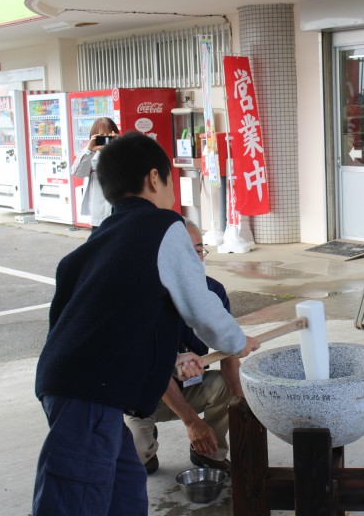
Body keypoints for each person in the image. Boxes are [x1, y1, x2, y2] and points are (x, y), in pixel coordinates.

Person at [33, 131, 260, 515]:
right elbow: (199, 304)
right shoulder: (163, 227)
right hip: (88, 394)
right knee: (75, 500)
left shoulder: (99, 242)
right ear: (154, 178)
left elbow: (85, 321)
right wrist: (237, 341)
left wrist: (167, 361)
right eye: (170, 180)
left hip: (76, 385)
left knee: (126, 489)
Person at [125, 219, 243, 475]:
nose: (195, 258)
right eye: (185, 251)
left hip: (192, 386)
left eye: (199, 250)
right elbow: (154, 369)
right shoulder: (149, 297)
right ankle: (145, 442)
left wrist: (238, 400)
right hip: (146, 395)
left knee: (224, 386)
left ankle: (209, 453)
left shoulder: (213, 290)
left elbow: (230, 346)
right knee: (139, 463)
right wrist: (192, 422)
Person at [71, 117, 120, 230]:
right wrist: (90, 150)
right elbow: (78, 173)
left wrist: (120, 146)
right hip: (100, 212)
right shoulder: (90, 155)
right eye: (101, 136)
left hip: (121, 208)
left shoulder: (123, 152)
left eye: (109, 136)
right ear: (93, 137)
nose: (105, 140)